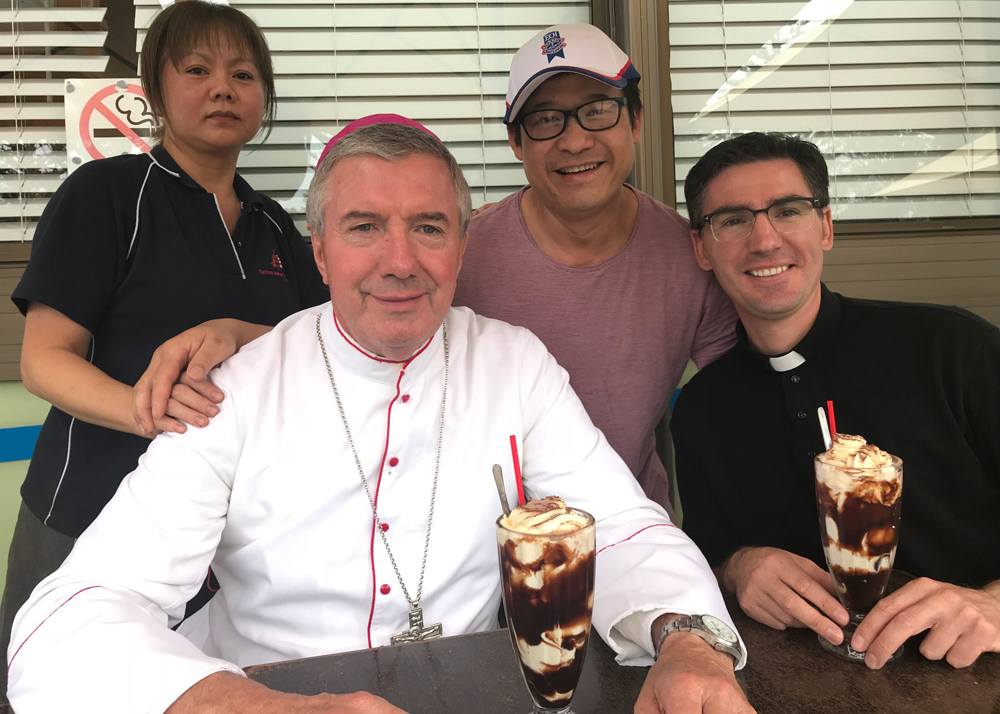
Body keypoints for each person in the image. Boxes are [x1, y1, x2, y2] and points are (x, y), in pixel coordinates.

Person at [8, 122, 753, 714]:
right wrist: (247, 707)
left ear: (461, 246)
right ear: (321, 251)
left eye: (430, 227)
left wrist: (686, 636)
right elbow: (68, 618)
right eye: (365, 227)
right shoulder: (239, 385)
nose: (401, 261)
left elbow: (621, 525)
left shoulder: (515, 363)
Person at [0, 0, 328, 695]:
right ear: (154, 92)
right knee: (59, 689)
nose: (222, 88)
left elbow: (315, 349)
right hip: (86, 506)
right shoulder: (107, 195)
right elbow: (44, 359)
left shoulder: (274, 226)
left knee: (201, 693)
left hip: (226, 532)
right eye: (198, 69)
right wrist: (149, 410)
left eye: (243, 74)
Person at [670, 131, 1000, 670]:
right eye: (731, 220)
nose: (765, 240)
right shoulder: (704, 408)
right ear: (701, 249)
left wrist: (992, 603)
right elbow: (709, 550)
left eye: (788, 210)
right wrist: (739, 567)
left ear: (825, 227)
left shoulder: (952, 349)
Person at [451, 23, 737, 513]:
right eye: (545, 119)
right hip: (486, 541)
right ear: (517, 142)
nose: (576, 141)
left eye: (598, 111)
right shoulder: (460, 256)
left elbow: (740, 403)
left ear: (636, 122)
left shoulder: (690, 254)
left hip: (631, 531)